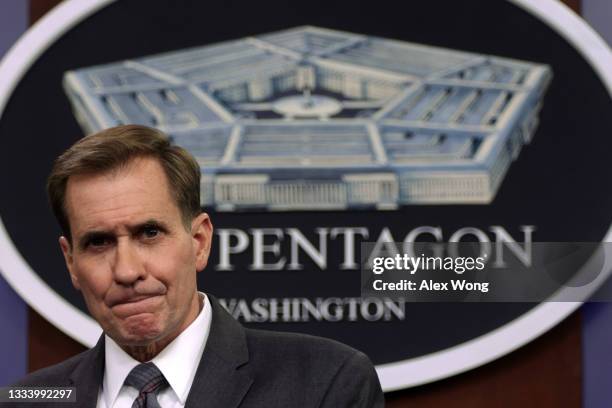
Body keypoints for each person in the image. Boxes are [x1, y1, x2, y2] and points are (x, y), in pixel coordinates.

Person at [10, 125, 384, 407]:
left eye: (150, 233)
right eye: (99, 242)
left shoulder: (323, 382)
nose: (126, 271)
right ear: (71, 262)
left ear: (199, 241)